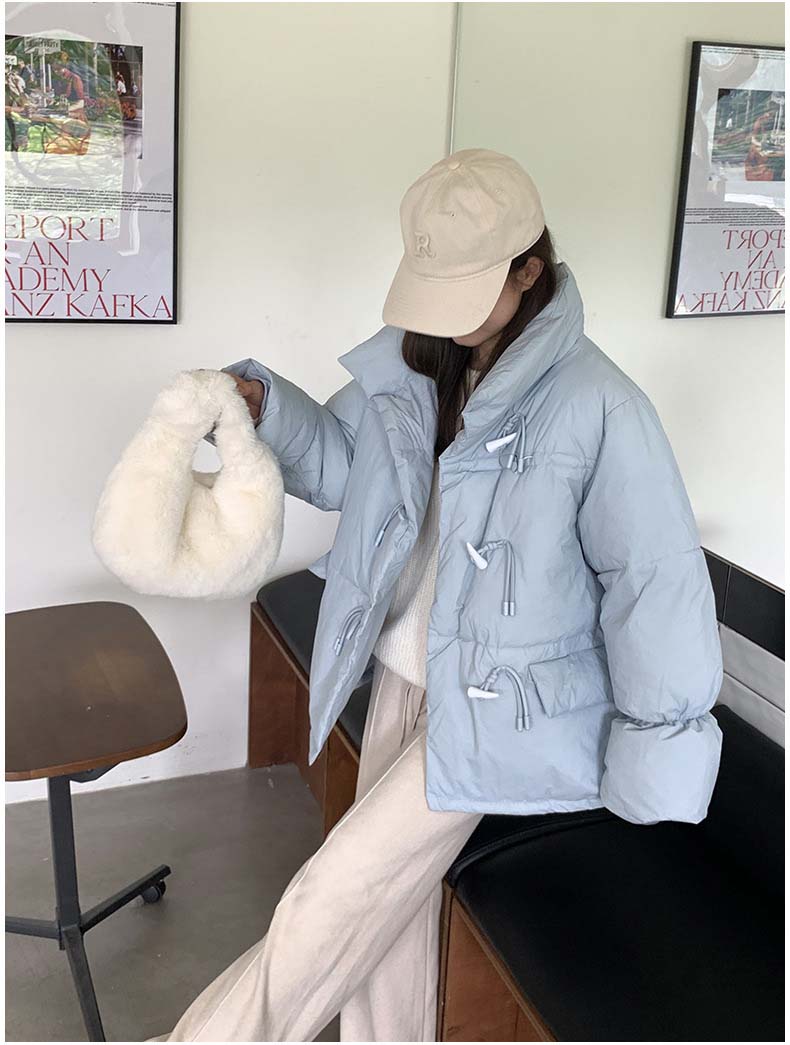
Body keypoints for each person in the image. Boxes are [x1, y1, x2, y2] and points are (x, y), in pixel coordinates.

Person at [154, 148, 723, 1042]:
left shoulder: (601, 405)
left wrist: (656, 751)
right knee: (388, 922)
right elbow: (346, 470)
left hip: (499, 706)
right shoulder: (419, 367)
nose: (447, 316)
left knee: (333, 894)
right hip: (402, 671)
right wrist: (270, 409)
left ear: (529, 269)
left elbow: (653, 582)